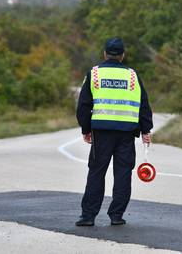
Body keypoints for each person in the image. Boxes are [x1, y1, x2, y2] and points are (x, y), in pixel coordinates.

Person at [76, 38, 153, 226]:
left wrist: (86, 129)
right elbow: (143, 104)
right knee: (123, 174)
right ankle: (117, 215)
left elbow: (84, 105)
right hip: (126, 134)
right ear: (122, 55)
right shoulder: (133, 76)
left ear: (105, 54)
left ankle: (88, 217)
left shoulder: (94, 74)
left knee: (96, 173)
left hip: (101, 133)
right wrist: (146, 130)